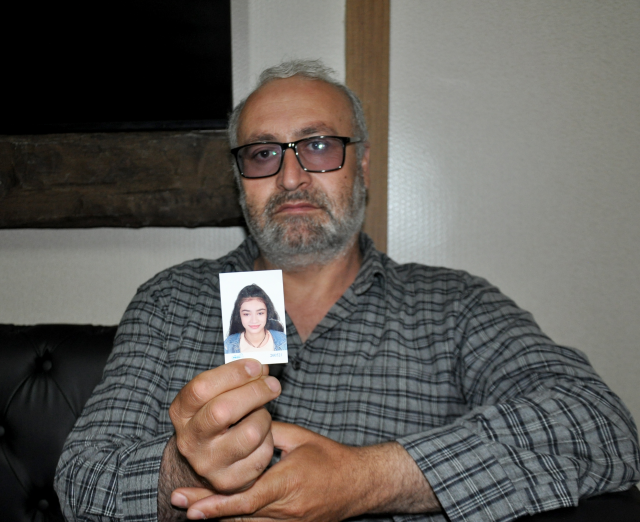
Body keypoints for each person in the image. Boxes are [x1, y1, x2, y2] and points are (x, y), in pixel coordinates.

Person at [55, 60, 640, 522]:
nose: (290, 177)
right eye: (263, 153)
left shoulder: (455, 307)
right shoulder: (170, 301)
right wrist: (184, 470)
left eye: (317, 145)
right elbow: (81, 481)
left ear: (361, 166)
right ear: (240, 182)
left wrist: (369, 480)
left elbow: (600, 425)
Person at [224, 284, 287, 354]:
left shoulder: (285, 340)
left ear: (268, 313)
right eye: (246, 314)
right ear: (239, 315)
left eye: (260, 313)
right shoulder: (227, 345)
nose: (254, 320)